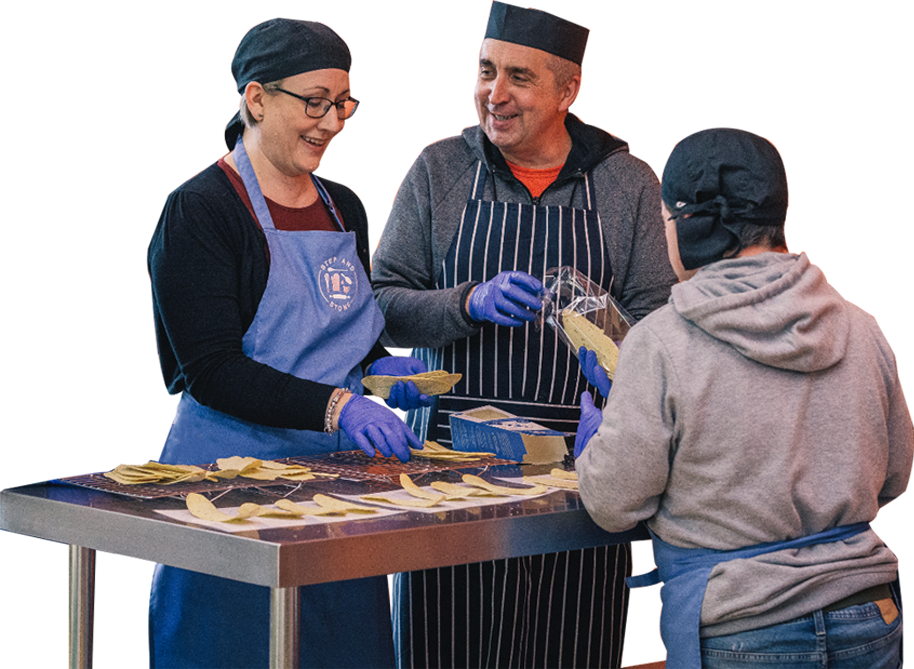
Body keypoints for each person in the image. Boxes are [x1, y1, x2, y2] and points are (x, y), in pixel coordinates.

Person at [370, 2, 678, 666]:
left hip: (582, 478)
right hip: (448, 477)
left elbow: (666, 331)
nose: (494, 94)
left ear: (569, 91)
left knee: (571, 648)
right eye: (485, 71)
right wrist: (467, 302)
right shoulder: (439, 170)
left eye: (519, 77)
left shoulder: (627, 184)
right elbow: (380, 304)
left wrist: (609, 334)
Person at [146, 18, 429, 669]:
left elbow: (350, 323)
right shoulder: (201, 210)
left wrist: (382, 363)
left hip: (339, 495)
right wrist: (339, 406)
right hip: (225, 495)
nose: (332, 121)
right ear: (254, 99)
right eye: (314, 102)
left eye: (343, 103)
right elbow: (209, 367)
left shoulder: (345, 206)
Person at [575, 127, 911, 668]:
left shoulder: (661, 341)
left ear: (688, 224)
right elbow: (894, 476)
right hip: (868, 618)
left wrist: (597, 447)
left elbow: (614, 505)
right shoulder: (861, 327)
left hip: (745, 632)